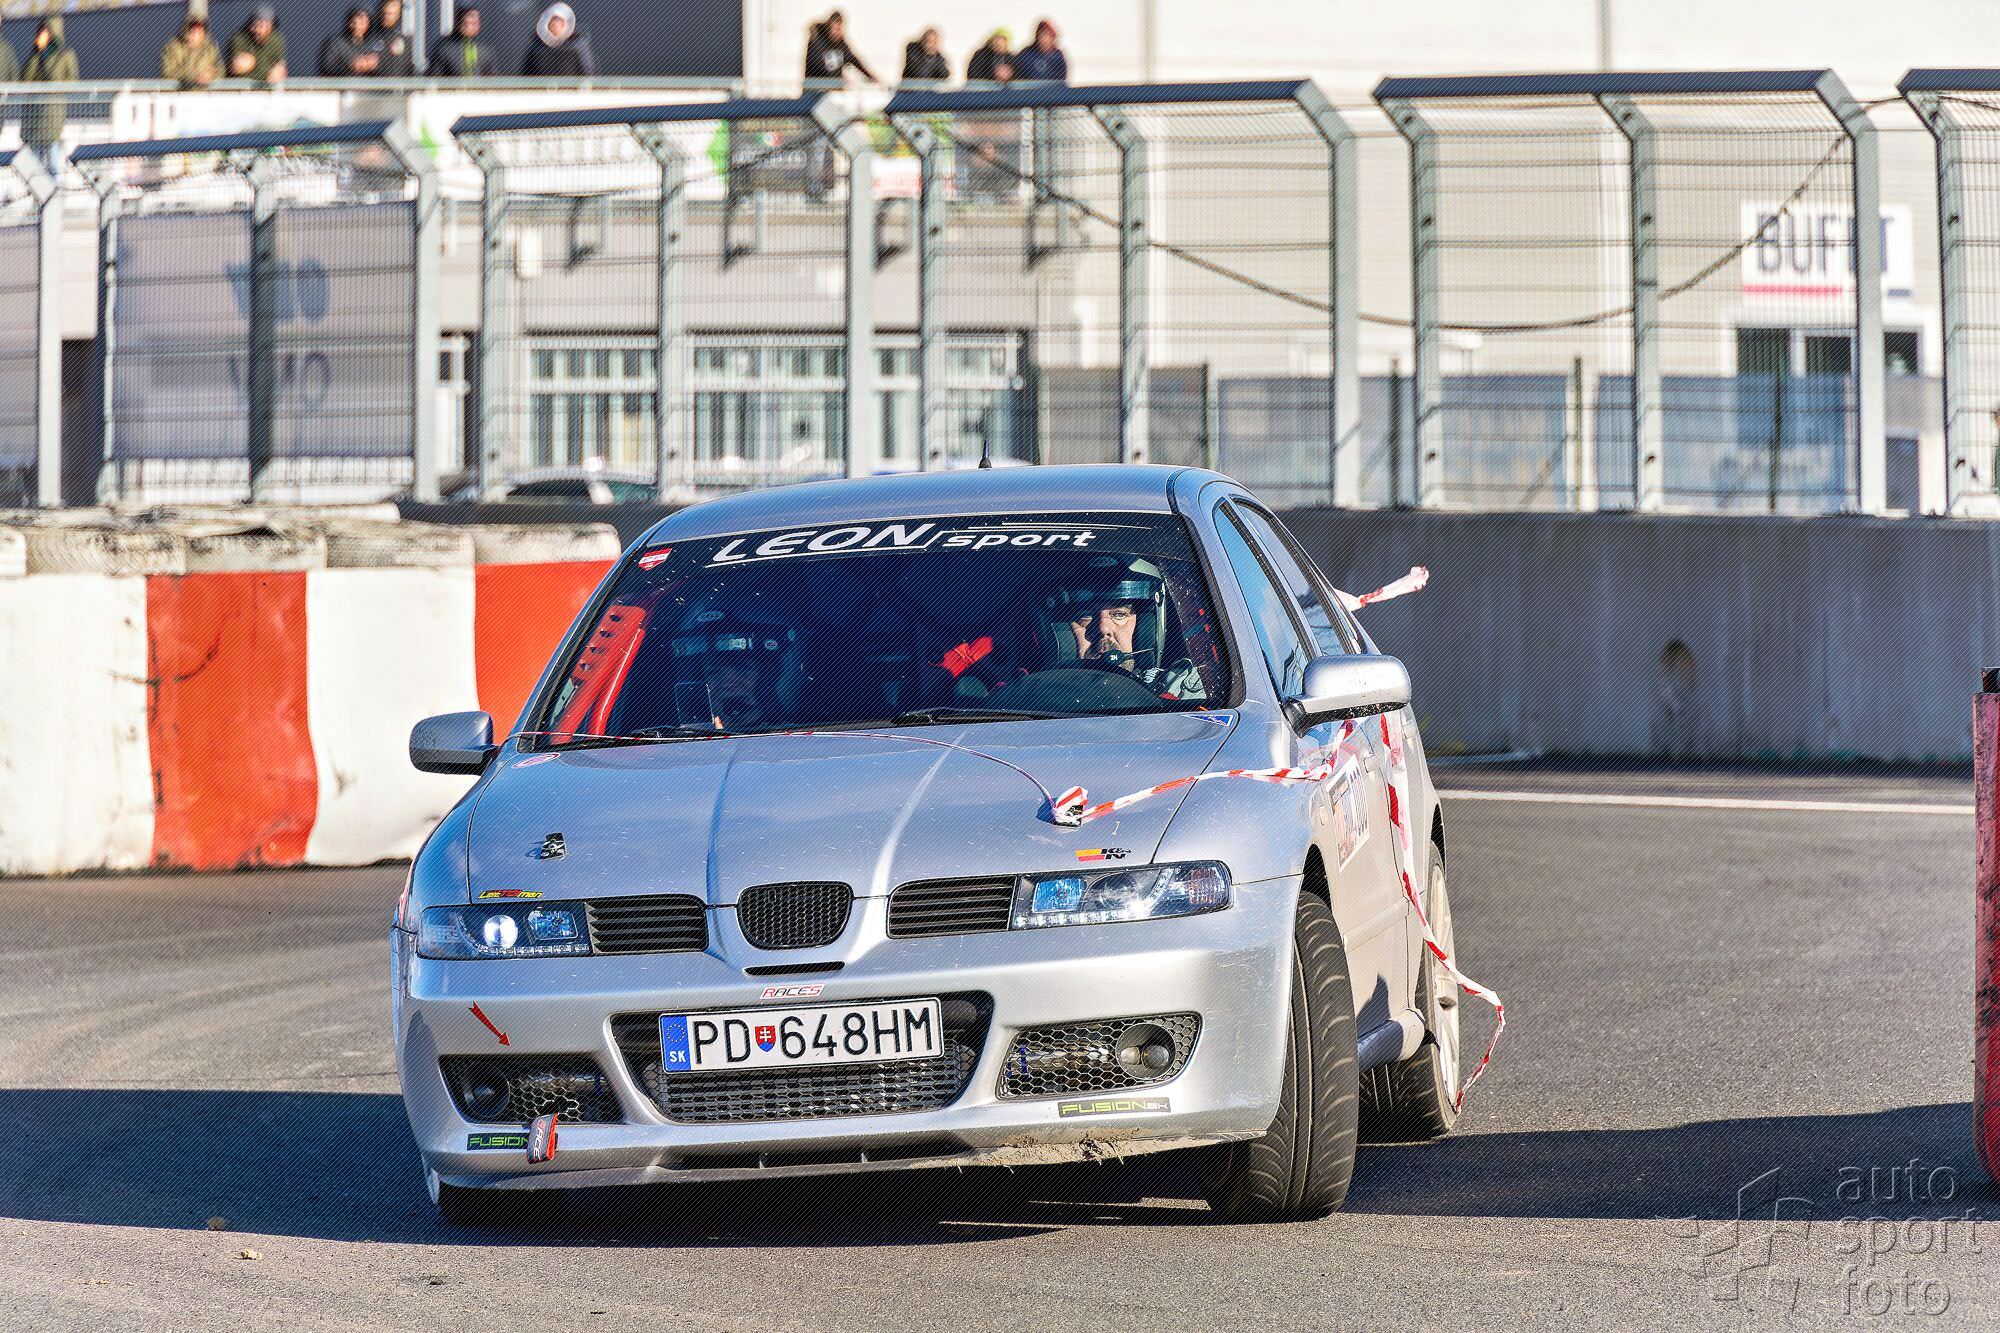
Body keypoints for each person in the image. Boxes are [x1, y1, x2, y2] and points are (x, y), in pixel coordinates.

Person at [1039, 560, 1207, 700]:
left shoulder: (1179, 693)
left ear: (1144, 629)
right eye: (1086, 615)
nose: (1103, 628)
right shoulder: (1034, 698)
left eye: (1119, 615)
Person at [673, 613, 791, 733]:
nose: (728, 681)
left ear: (767, 677)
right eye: (714, 671)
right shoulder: (686, 737)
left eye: (742, 668)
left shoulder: (792, 735)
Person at [20, 17, 78, 157]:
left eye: (45, 31)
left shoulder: (66, 54)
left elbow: (73, 81)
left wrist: (55, 86)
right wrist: (37, 54)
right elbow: (25, 79)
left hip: (53, 112)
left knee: (52, 157)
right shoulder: (35, 55)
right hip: (34, 113)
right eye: (40, 31)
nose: (42, 34)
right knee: (35, 160)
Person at [522, 1, 595, 76]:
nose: (557, 25)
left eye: (561, 22)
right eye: (554, 21)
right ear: (548, 24)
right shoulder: (536, 46)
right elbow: (527, 74)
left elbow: (588, 72)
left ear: (567, 24)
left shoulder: (578, 46)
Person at [803, 10, 874, 84]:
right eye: (836, 29)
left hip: (833, 86)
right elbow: (817, 64)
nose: (838, 33)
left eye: (840, 29)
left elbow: (854, 60)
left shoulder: (841, 43)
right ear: (829, 28)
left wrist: (872, 77)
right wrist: (838, 78)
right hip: (815, 86)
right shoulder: (817, 40)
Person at [227, 6, 288, 84]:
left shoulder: (276, 40)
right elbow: (233, 66)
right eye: (256, 25)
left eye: (265, 26)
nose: (259, 30)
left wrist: (278, 70)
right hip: (242, 84)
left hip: (266, 84)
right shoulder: (239, 38)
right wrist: (241, 64)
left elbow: (280, 64)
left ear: (271, 27)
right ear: (250, 26)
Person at [429, 6, 493, 77]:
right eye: (471, 16)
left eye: (477, 18)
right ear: (459, 22)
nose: (475, 21)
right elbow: (435, 77)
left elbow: (493, 78)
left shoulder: (484, 50)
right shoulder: (445, 47)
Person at [161, 13, 222, 88]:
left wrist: (212, 74)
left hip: (205, 91)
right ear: (185, 30)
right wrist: (195, 76)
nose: (195, 32)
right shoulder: (173, 47)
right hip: (182, 91)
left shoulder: (210, 46)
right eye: (192, 28)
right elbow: (168, 72)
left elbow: (220, 69)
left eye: (199, 28)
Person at [318, 7, 377, 76]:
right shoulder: (336, 42)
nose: (362, 22)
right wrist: (350, 67)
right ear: (350, 22)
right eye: (359, 17)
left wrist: (374, 66)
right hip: (342, 82)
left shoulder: (373, 44)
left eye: (365, 19)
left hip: (366, 82)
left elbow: (384, 70)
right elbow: (326, 68)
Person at [368, 0, 414, 76]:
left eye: (391, 14)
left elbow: (412, 70)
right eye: (385, 13)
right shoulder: (370, 38)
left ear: (399, 14)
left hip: (400, 82)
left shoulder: (407, 41)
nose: (387, 17)